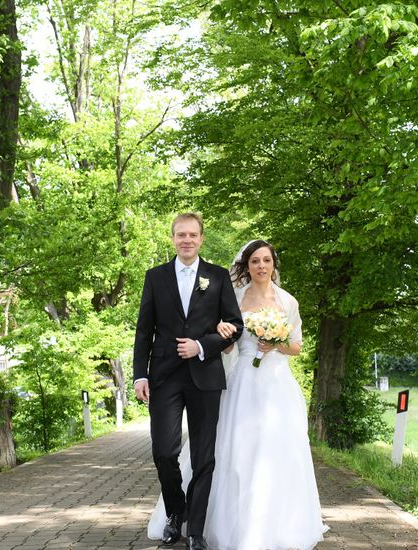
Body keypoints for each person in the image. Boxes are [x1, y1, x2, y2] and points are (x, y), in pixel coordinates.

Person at [147, 239, 328, 550]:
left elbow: (296, 346)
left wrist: (275, 344)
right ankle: (209, 521)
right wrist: (224, 336)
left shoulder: (288, 302)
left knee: (278, 453)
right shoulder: (235, 297)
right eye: (255, 261)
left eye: (266, 261)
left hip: (277, 386)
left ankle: (277, 524)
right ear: (247, 266)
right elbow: (228, 344)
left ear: (274, 265)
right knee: (236, 452)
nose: (261, 266)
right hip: (243, 380)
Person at [134, 213, 244, 550]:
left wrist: (203, 345)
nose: (187, 240)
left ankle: (195, 530)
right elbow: (144, 329)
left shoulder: (217, 276)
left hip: (205, 374)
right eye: (181, 234)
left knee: (204, 458)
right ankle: (175, 513)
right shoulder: (155, 277)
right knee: (164, 453)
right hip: (164, 376)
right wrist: (140, 373)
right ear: (173, 238)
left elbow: (235, 325)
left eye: (192, 235)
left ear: (201, 238)